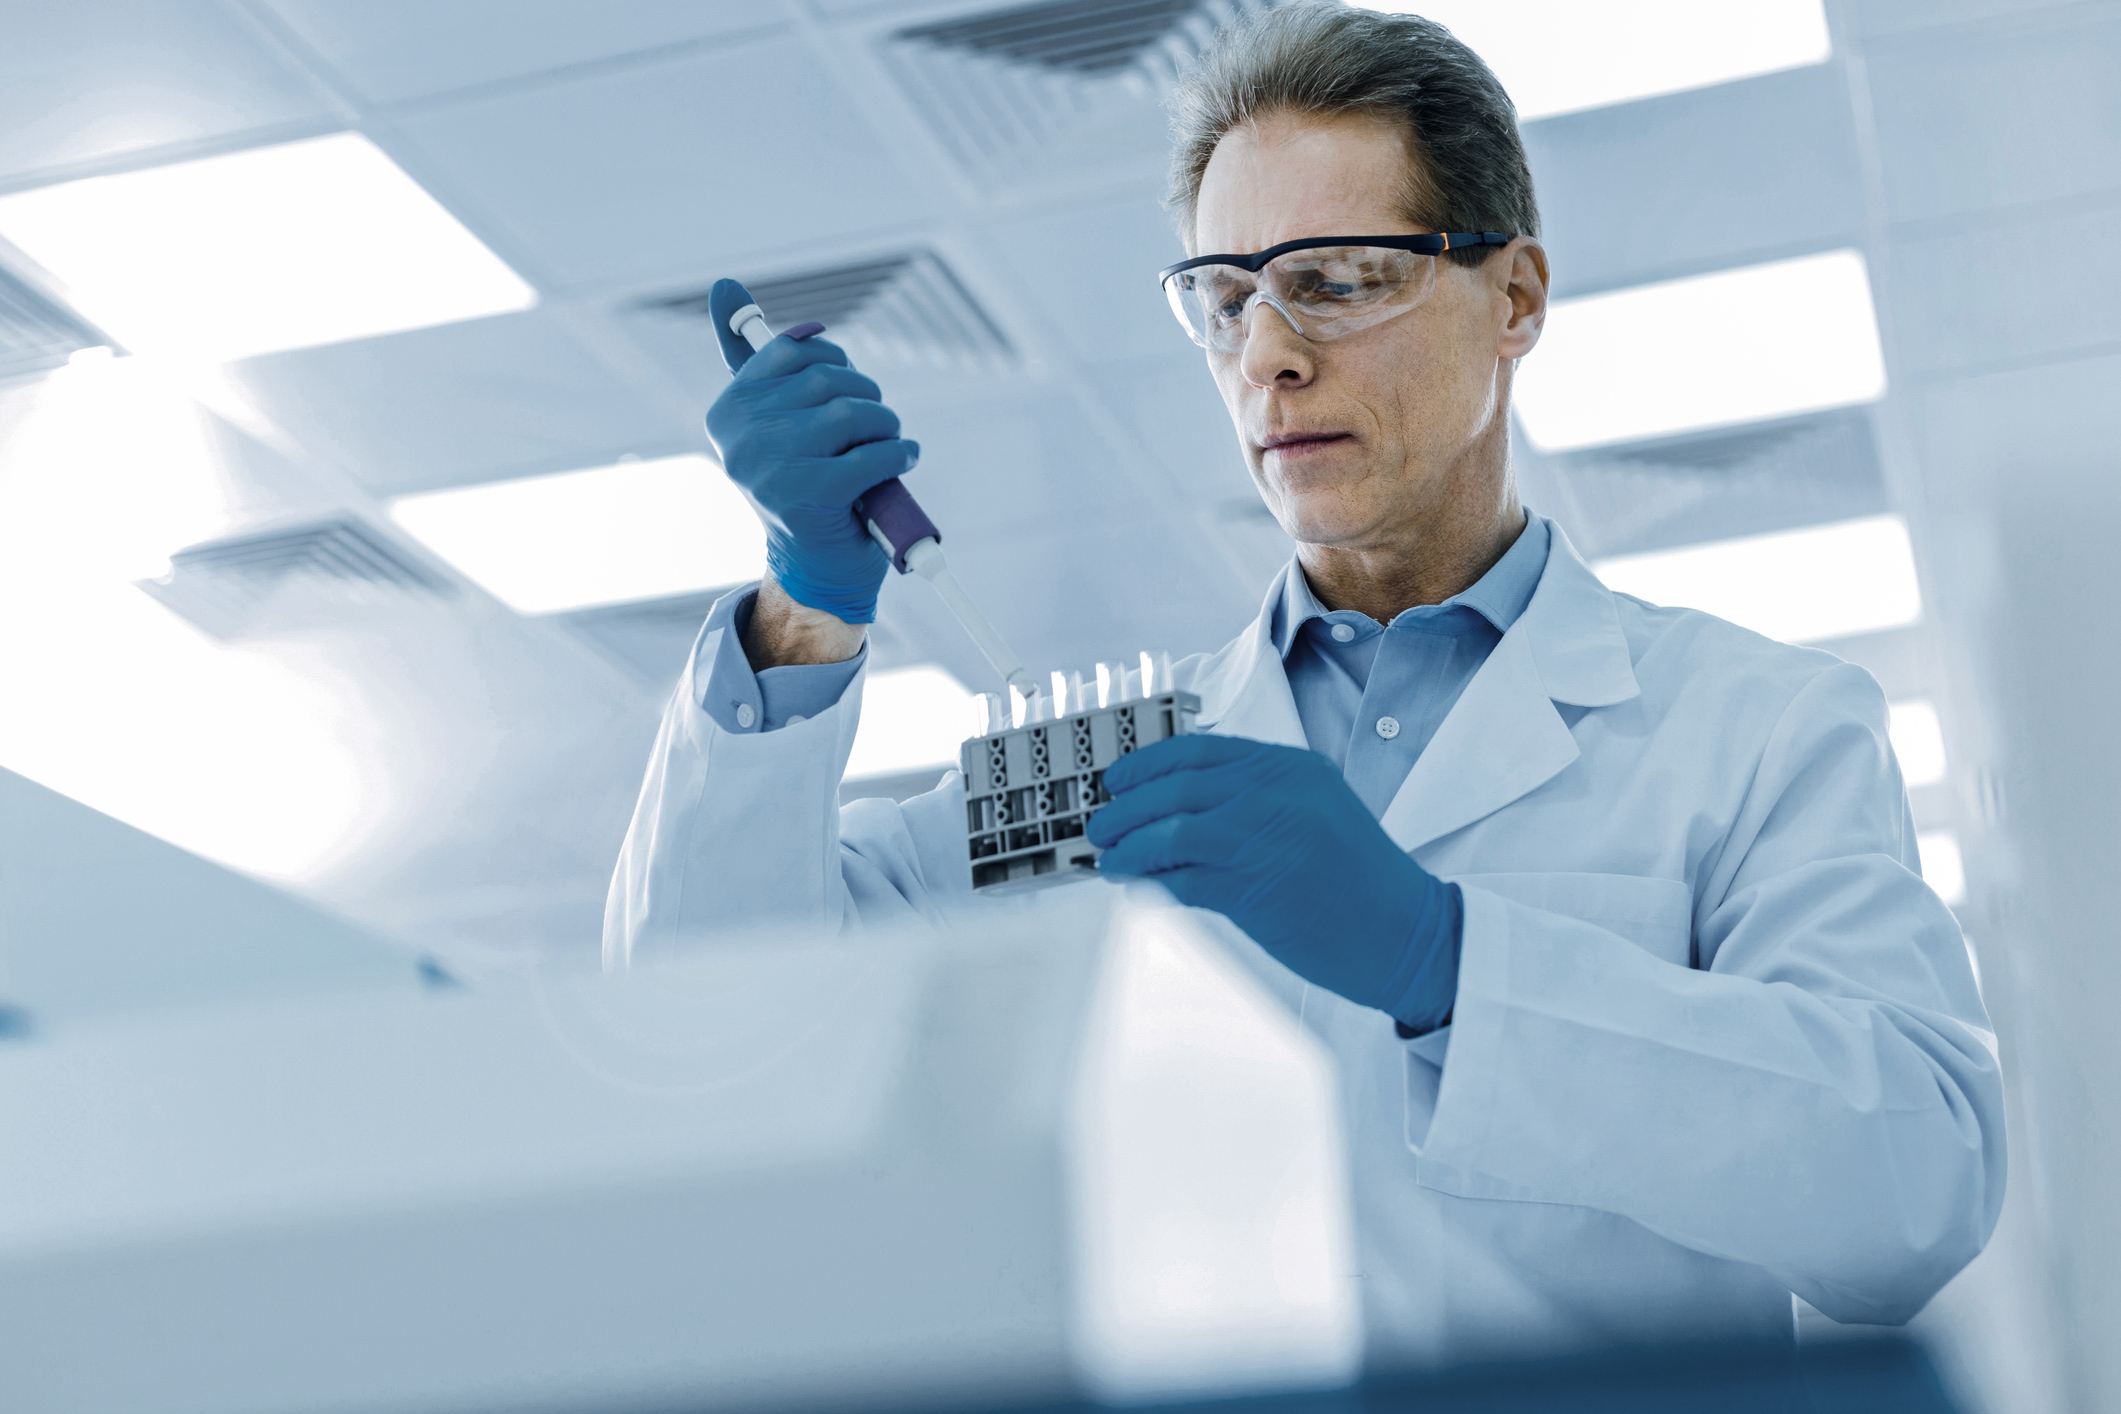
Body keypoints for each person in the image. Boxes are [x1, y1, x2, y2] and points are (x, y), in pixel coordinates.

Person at [604, 2, 2002, 1367]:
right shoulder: (1103, 769)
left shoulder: (1750, 728)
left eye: (1335, 279)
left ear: (1511, 295)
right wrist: (799, 615)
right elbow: (717, 1031)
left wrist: (1445, 961)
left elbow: (1911, 1193)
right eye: (1225, 299)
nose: (1267, 353)